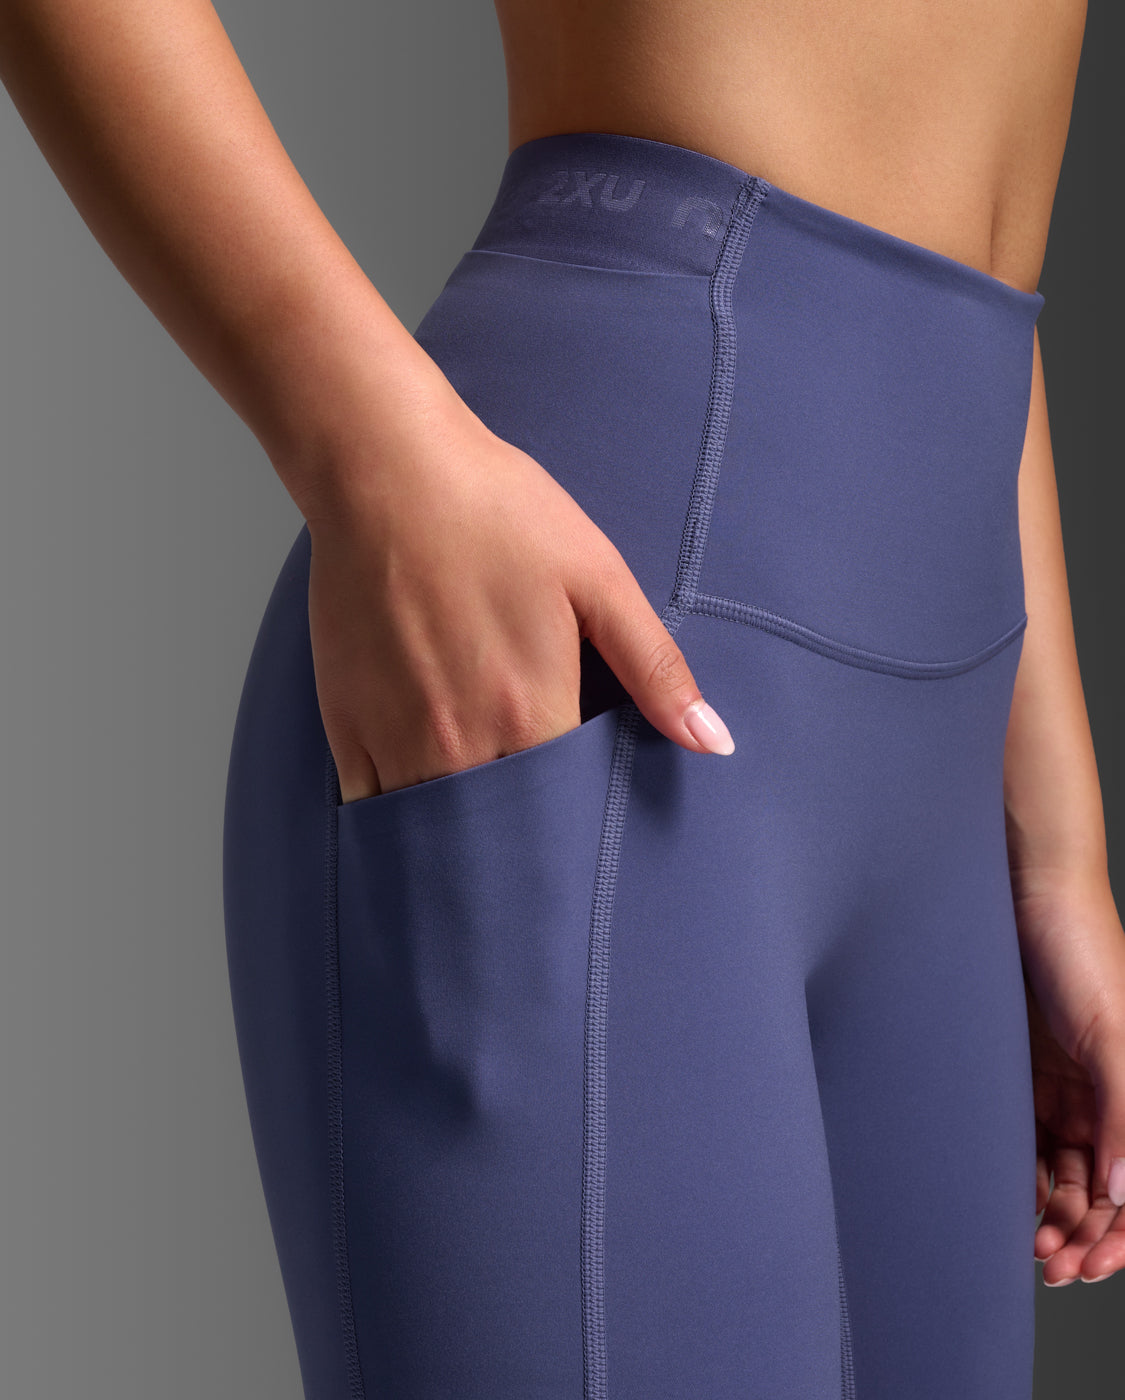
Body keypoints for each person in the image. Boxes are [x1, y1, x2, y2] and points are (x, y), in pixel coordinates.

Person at [1, 0, 1120, 1396]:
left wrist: (1053, 845)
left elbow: (961, 231)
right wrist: (371, 451)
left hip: (945, 727)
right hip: (589, 646)